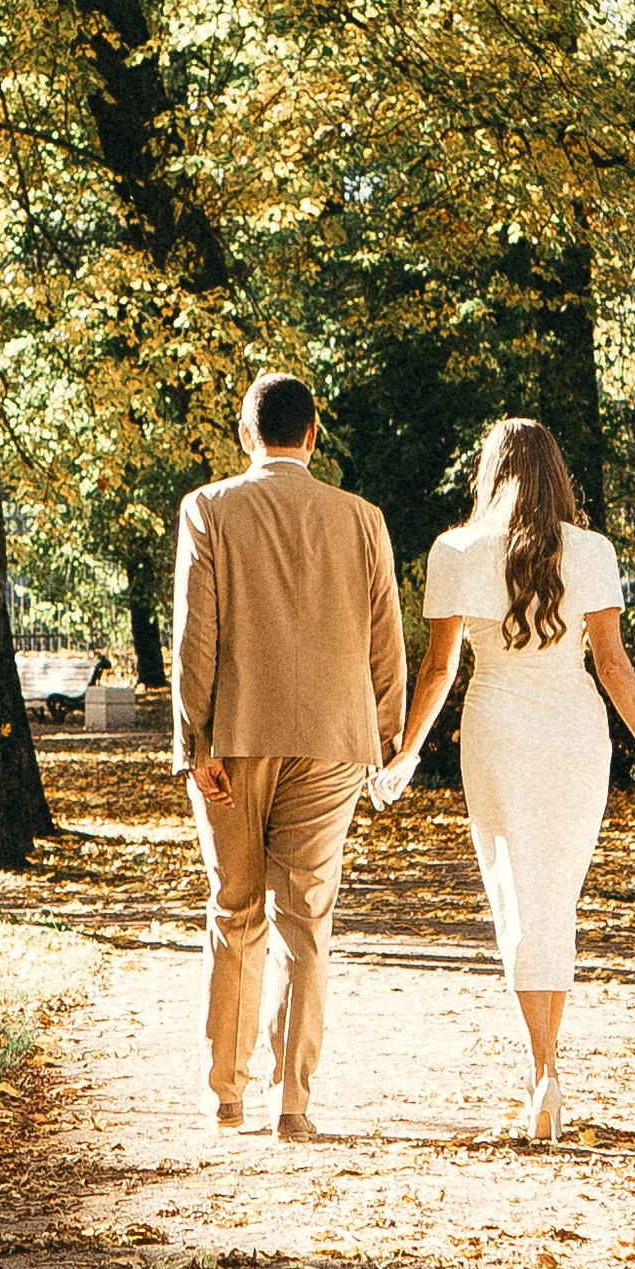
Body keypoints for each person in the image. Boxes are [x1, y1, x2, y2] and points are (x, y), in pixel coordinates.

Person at [372, 417, 635, 1147]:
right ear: (557, 473)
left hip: (497, 730)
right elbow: (612, 664)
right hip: (577, 733)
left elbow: (440, 667)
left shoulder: (455, 549)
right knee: (555, 900)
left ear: (490, 473)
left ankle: (541, 1073)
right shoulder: (594, 551)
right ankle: (548, 1071)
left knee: (517, 894)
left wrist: (407, 753)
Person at [173, 370, 404, 1140]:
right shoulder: (363, 518)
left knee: (235, 908)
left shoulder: (209, 508)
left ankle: (226, 1092)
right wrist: (388, 739)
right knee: (304, 917)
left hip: (235, 738)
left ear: (246, 433)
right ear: (312, 434)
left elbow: (195, 634)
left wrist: (194, 741)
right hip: (335, 741)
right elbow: (386, 637)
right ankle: (293, 1102)